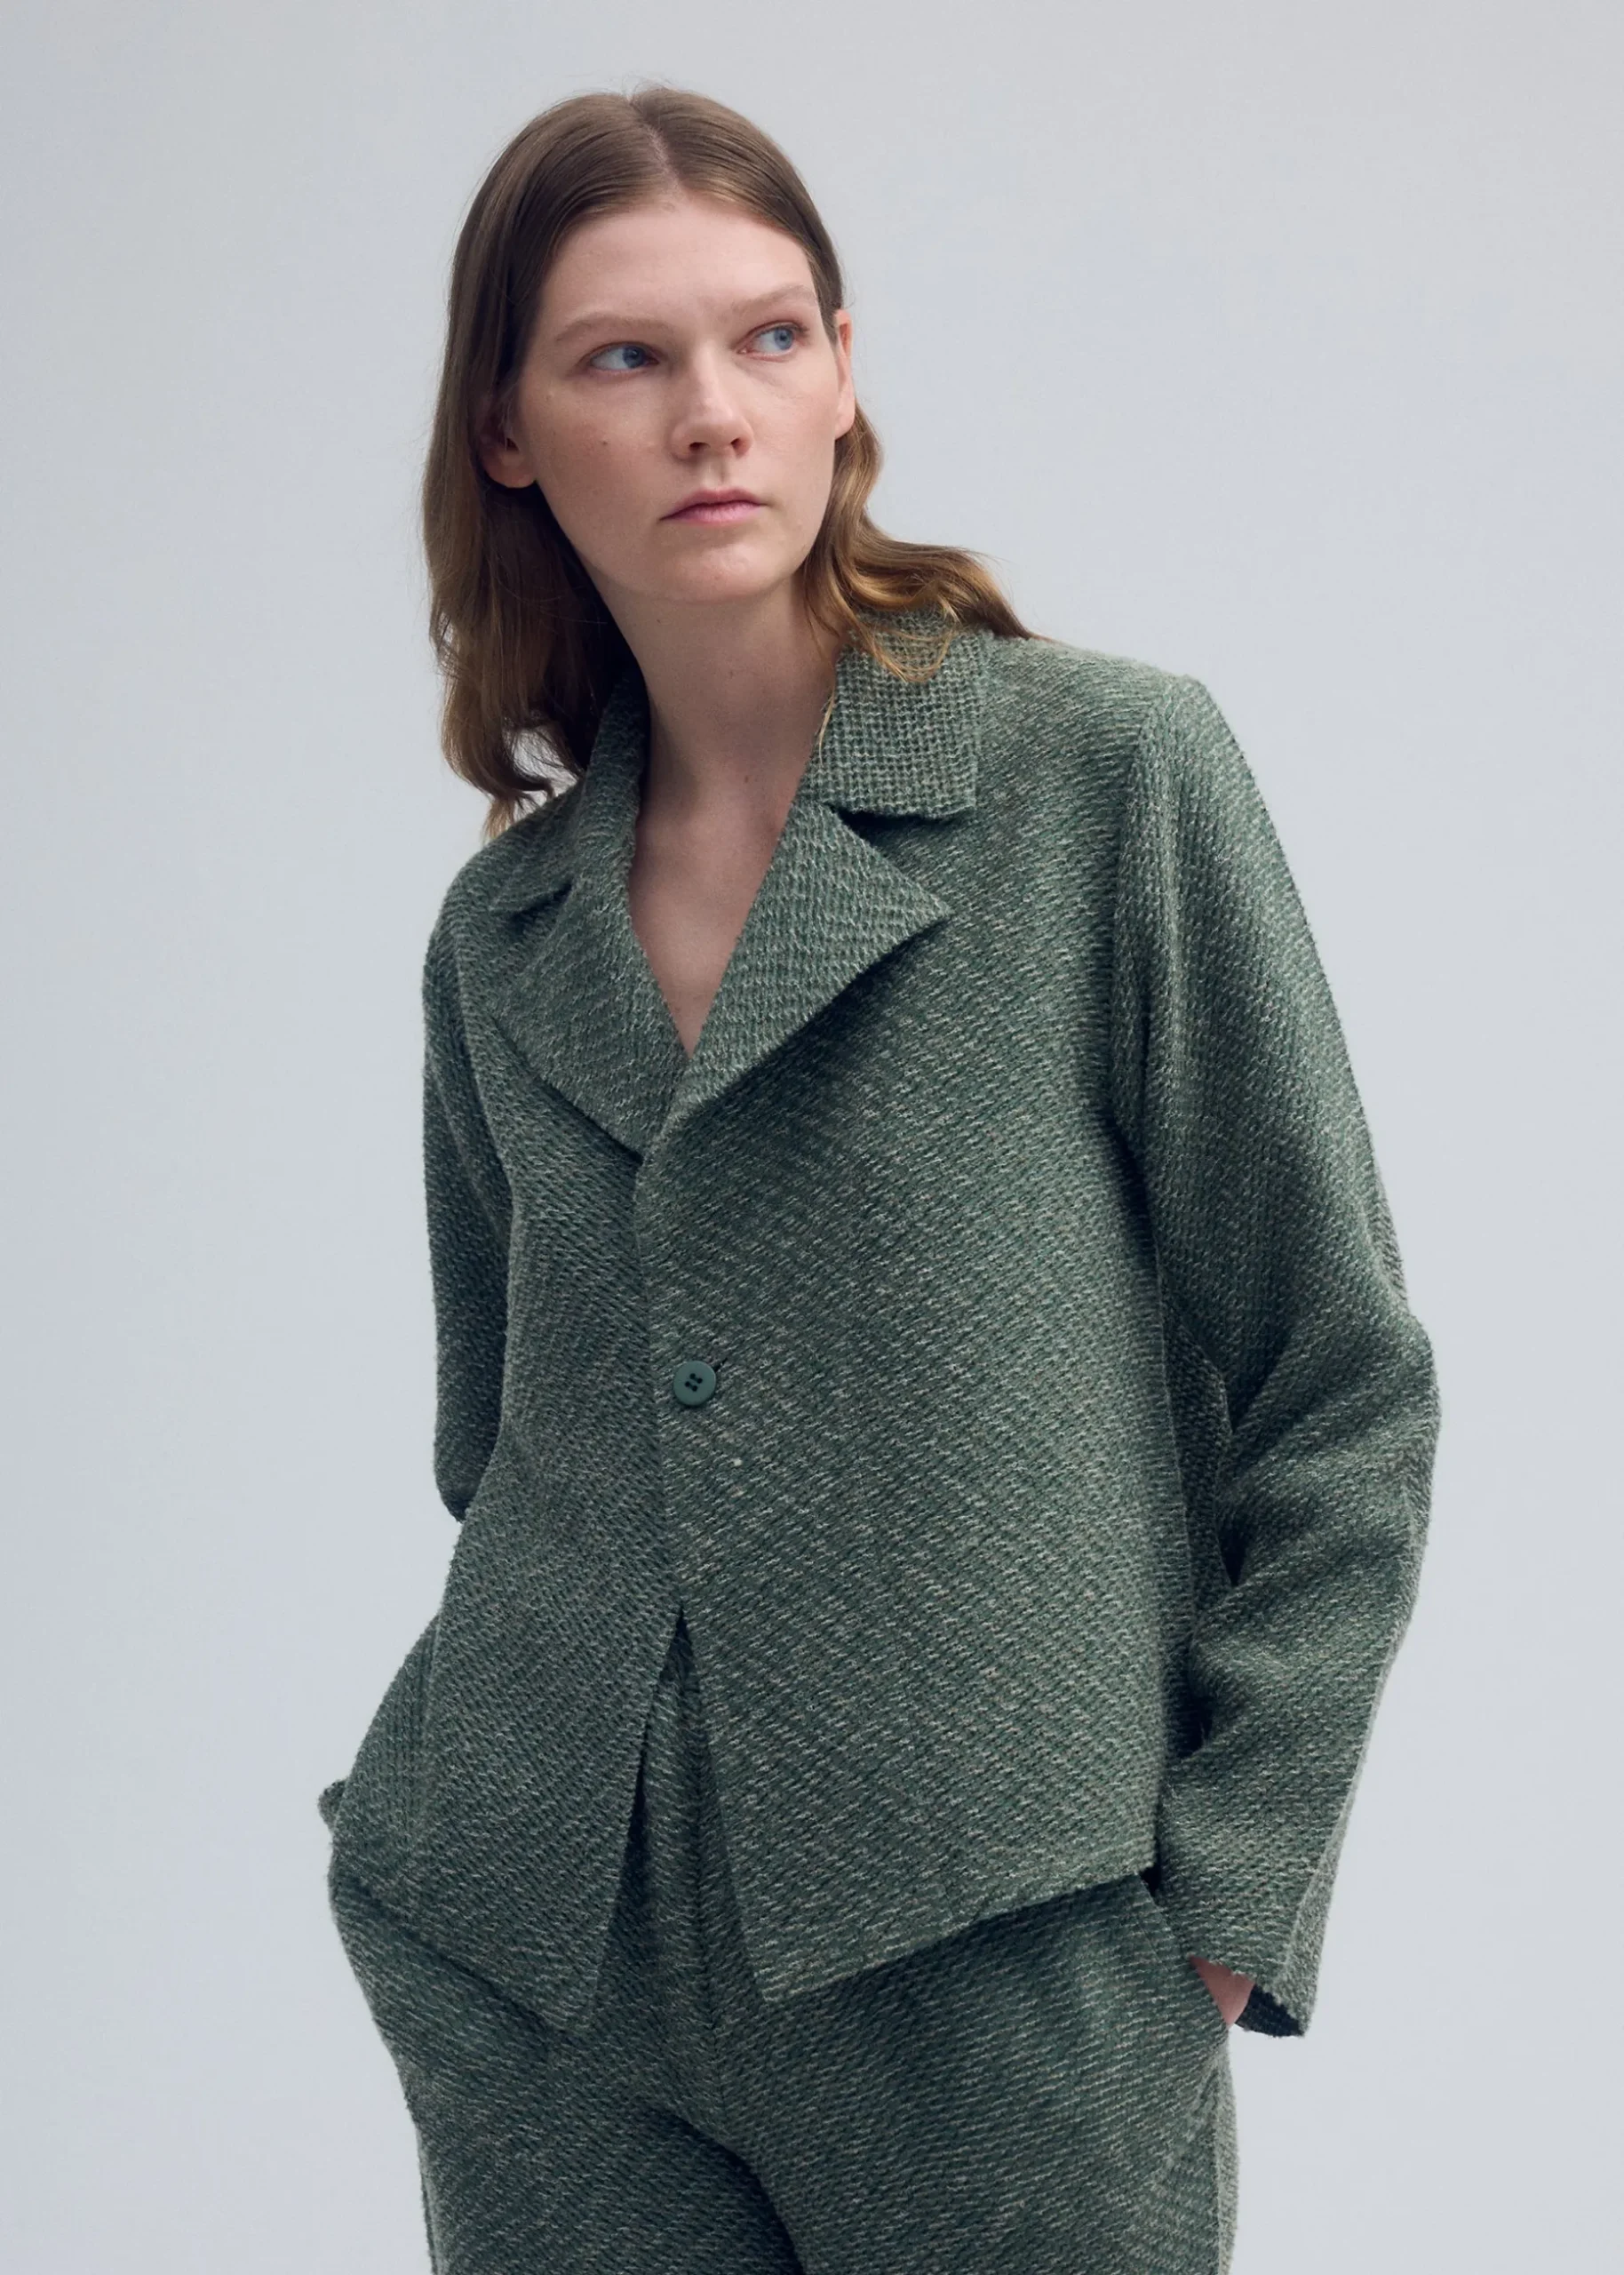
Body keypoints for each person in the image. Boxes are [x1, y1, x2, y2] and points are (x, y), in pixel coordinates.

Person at [317, 84, 1440, 2275]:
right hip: (544, 1955)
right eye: (623, 356)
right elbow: (502, 1444)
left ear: (842, 371)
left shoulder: (1097, 776)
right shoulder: (504, 933)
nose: (709, 412)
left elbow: (1338, 1375)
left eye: (765, 336)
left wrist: (1226, 1890)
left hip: (996, 1936)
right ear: (509, 431)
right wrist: (437, 1878)